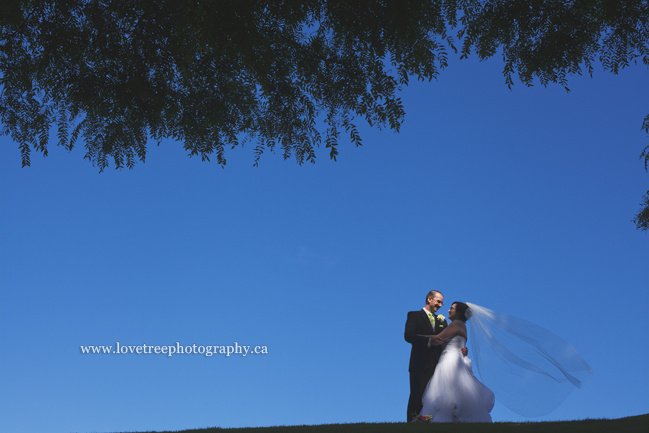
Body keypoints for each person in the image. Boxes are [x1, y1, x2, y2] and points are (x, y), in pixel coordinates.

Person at [420, 302, 495, 423]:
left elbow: (439, 338)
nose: (449, 310)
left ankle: (442, 420)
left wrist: (418, 336)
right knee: (456, 390)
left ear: (459, 313)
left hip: (450, 361)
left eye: (452, 308)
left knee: (447, 390)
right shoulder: (462, 326)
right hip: (455, 358)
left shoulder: (456, 324)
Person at [404, 290, 447, 422]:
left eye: (441, 303)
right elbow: (408, 336)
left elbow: (447, 340)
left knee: (433, 396)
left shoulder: (443, 321)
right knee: (418, 393)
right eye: (438, 301)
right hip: (420, 363)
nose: (440, 305)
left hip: (438, 364)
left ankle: (428, 421)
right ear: (429, 299)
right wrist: (428, 341)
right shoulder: (414, 315)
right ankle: (413, 422)